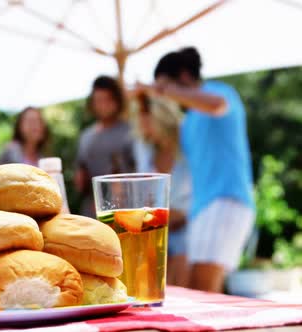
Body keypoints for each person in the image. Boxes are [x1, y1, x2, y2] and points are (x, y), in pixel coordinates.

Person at [139, 47, 255, 293]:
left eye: (165, 87)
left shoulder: (219, 93)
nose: (165, 97)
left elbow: (216, 105)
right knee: (199, 291)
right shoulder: (190, 120)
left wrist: (162, 89)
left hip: (226, 200)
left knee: (204, 291)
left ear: (182, 76)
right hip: (205, 209)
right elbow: (164, 147)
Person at [132, 95, 191, 287]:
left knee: (182, 284)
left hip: (188, 231)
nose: (141, 122)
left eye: (145, 116)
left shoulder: (189, 145)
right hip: (155, 230)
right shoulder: (145, 148)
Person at [74, 76, 135, 218]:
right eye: (99, 100)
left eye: (108, 100)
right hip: (92, 211)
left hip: (126, 211)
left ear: (117, 101)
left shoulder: (130, 133)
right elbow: (81, 170)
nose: (103, 105)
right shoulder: (86, 136)